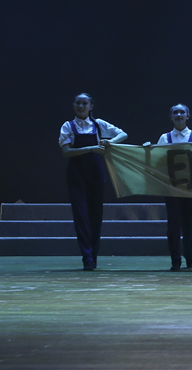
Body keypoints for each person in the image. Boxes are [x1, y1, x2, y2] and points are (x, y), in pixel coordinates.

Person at [58, 93, 128, 271]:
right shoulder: (68, 126)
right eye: (78, 103)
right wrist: (91, 148)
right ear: (74, 105)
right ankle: (87, 257)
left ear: (91, 106)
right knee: (81, 216)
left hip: (96, 173)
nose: (81, 106)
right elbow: (66, 152)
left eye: (85, 103)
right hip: (76, 174)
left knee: (96, 216)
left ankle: (93, 255)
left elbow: (123, 134)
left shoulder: (98, 124)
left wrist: (109, 142)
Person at [153, 104, 192, 271]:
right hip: (172, 188)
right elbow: (156, 161)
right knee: (173, 225)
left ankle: (188, 255)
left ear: (188, 116)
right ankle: (175, 259)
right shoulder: (165, 138)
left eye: (182, 112)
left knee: (190, 224)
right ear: (171, 117)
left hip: (191, 188)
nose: (179, 115)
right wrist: (149, 150)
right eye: (175, 112)